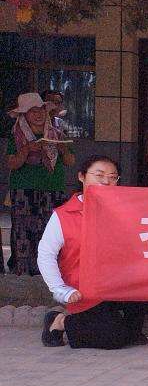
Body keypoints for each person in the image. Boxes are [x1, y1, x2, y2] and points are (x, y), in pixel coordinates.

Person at [37, 156, 148, 349]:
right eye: (99, 175)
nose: (106, 181)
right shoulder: (64, 215)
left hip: (117, 285)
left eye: (112, 177)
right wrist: (60, 289)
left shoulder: (124, 211)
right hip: (83, 291)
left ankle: (124, 329)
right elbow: (46, 254)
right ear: (82, 176)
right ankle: (60, 322)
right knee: (113, 339)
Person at [6, 93, 75, 275]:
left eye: (41, 110)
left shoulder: (58, 134)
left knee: (51, 231)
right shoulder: (16, 135)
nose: (38, 114)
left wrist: (63, 149)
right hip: (23, 188)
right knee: (23, 230)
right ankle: (23, 270)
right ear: (24, 115)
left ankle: (50, 270)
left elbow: (70, 161)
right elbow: (12, 164)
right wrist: (27, 149)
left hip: (53, 188)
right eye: (32, 111)